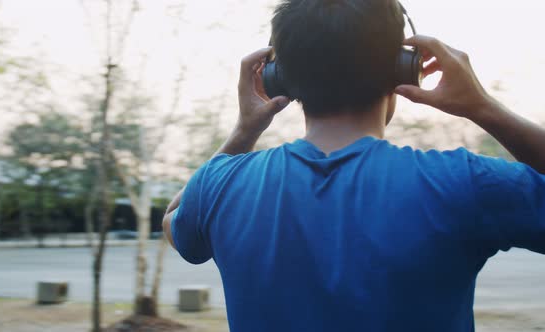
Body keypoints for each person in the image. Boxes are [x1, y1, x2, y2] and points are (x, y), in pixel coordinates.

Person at [162, 0, 545, 331]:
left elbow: (177, 218)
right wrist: (483, 107)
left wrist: (244, 130)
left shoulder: (221, 185)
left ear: (282, 78)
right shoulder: (467, 183)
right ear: (403, 68)